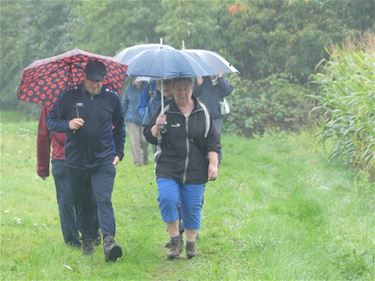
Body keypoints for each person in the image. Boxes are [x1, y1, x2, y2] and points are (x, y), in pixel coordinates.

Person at [47, 60, 125, 262]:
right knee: (83, 203)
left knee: (102, 199)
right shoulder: (69, 97)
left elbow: (121, 127)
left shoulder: (112, 99)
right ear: (84, 78)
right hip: (76, 161)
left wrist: (119, 153)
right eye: (92, 81)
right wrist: (68, 124)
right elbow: (51, 121)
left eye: (100, 81)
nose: (96, 85)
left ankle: (109, 241)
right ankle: (88, 238)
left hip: (104, 160)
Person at [143, 77, 221, 259]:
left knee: (192, 207)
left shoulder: (203, 111)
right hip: (168, 167)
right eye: (179, 89)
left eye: (186, 88)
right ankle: (175, 240)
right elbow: (149, 135)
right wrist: (157, 126)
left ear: (192, 89)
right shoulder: (165, 109)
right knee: (167, 199)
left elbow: (213, 142)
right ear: (173, 89)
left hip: (195, 169)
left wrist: (213, 164)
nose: (183, 93)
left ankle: (191, 243)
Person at [37, 106, 102, 248]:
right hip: (69, 157)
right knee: (83, 196)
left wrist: (43, 168)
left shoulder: (50, 101)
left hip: (75, 157)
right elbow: (44, 133)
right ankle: (83, 235)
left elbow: (43, 133)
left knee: (68, 199)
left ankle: (76, 239)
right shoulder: (86, 97)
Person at [121, 77, 148, 166]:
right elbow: (124, 103)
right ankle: (138, 162)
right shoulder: (128, 89)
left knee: (144, 140)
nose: (138, 81)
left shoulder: (147, 87)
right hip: (131, 119)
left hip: (145, 118)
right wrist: (121, 117)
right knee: (135, 141)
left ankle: (145, 157)